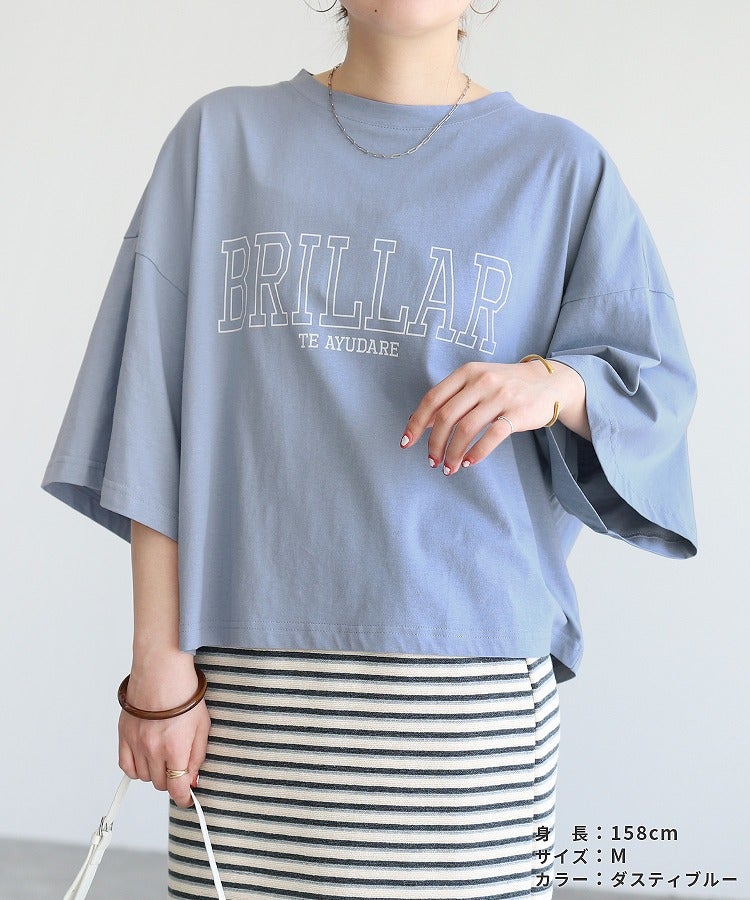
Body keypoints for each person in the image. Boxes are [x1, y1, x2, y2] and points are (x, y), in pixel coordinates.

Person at [40, 1, 698, 897]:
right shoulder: (222, 141)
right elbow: (150, 411)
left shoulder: (559, 167)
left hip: (467, 702)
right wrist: (158, 666)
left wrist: (553, 384)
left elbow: (652, 393)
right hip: (244, 697)